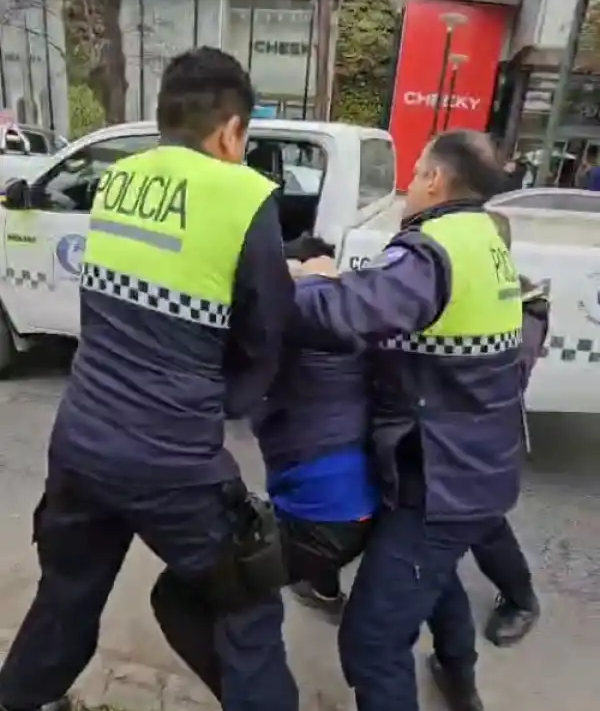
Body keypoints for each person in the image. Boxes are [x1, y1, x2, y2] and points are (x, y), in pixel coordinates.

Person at [0, 47, 298, 711]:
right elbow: (266, 332)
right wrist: (223, 402)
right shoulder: (243, 194)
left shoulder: (118, 181)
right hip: (173, 461)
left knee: (64, 601)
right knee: (249, 607)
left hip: (80, 442)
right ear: (230, 131)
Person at [291, 129, 524, 711]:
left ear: (435, 181)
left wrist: (307, 282)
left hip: (440, 478)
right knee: (436, 578)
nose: (410, 184)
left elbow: (347, 313)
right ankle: (457, 677)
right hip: (474, 462)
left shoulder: (432, 247)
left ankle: (453, 678)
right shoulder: (485, 240)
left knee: (371, 642)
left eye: (417, 170)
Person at [151, 234, 378, 700]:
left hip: (323, 521)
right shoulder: (344, 314)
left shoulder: (297, 315)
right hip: (346, 509)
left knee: (186, 595)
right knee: (229, 583)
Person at [467, 212, 549, 648]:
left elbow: (505, 368)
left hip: (484, 437)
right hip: (448, 431)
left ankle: (521, 598)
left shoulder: (519, 304)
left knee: (481, 521)